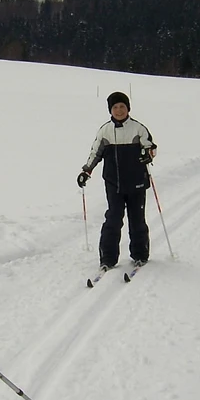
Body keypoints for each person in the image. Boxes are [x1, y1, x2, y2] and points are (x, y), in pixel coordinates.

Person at [76, 92, 157, 270]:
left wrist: (147, 154)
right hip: (114, 184)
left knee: (137, 220)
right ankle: (108, 258)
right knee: (113, 219)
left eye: (122, 106)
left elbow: (151, 147)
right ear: (110, 110)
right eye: (115, 107)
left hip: (137, 182)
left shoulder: (138, 128)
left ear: (128, 108)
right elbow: (95, 153)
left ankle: (140, 255)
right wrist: (86, 171)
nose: (119, 110)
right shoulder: (105, 131)